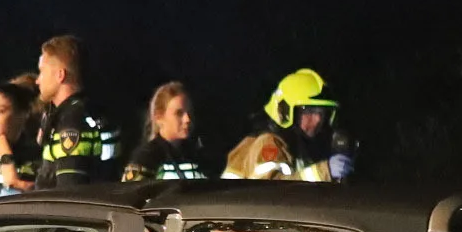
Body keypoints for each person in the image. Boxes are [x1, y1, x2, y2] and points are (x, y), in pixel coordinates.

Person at [226, 68, 356, 183]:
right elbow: (269, 189)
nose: (317, 119)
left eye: (321, 113)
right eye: (309, 111)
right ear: (285, 111)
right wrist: (325, 171)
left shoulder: (296, 146)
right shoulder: (268, 143)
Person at [29, 34, 117, 188]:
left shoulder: (72, 120)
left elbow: (69, 192)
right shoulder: (85, 110)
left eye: (42, 71)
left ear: (60, 75)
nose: (37, 80)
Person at [126, 83, 211, 182]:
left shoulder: (197, 155)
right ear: (159, 118)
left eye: (189, 112)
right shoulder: (146, 157)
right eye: (179, 113)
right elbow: (131, 191)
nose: (187, 119)